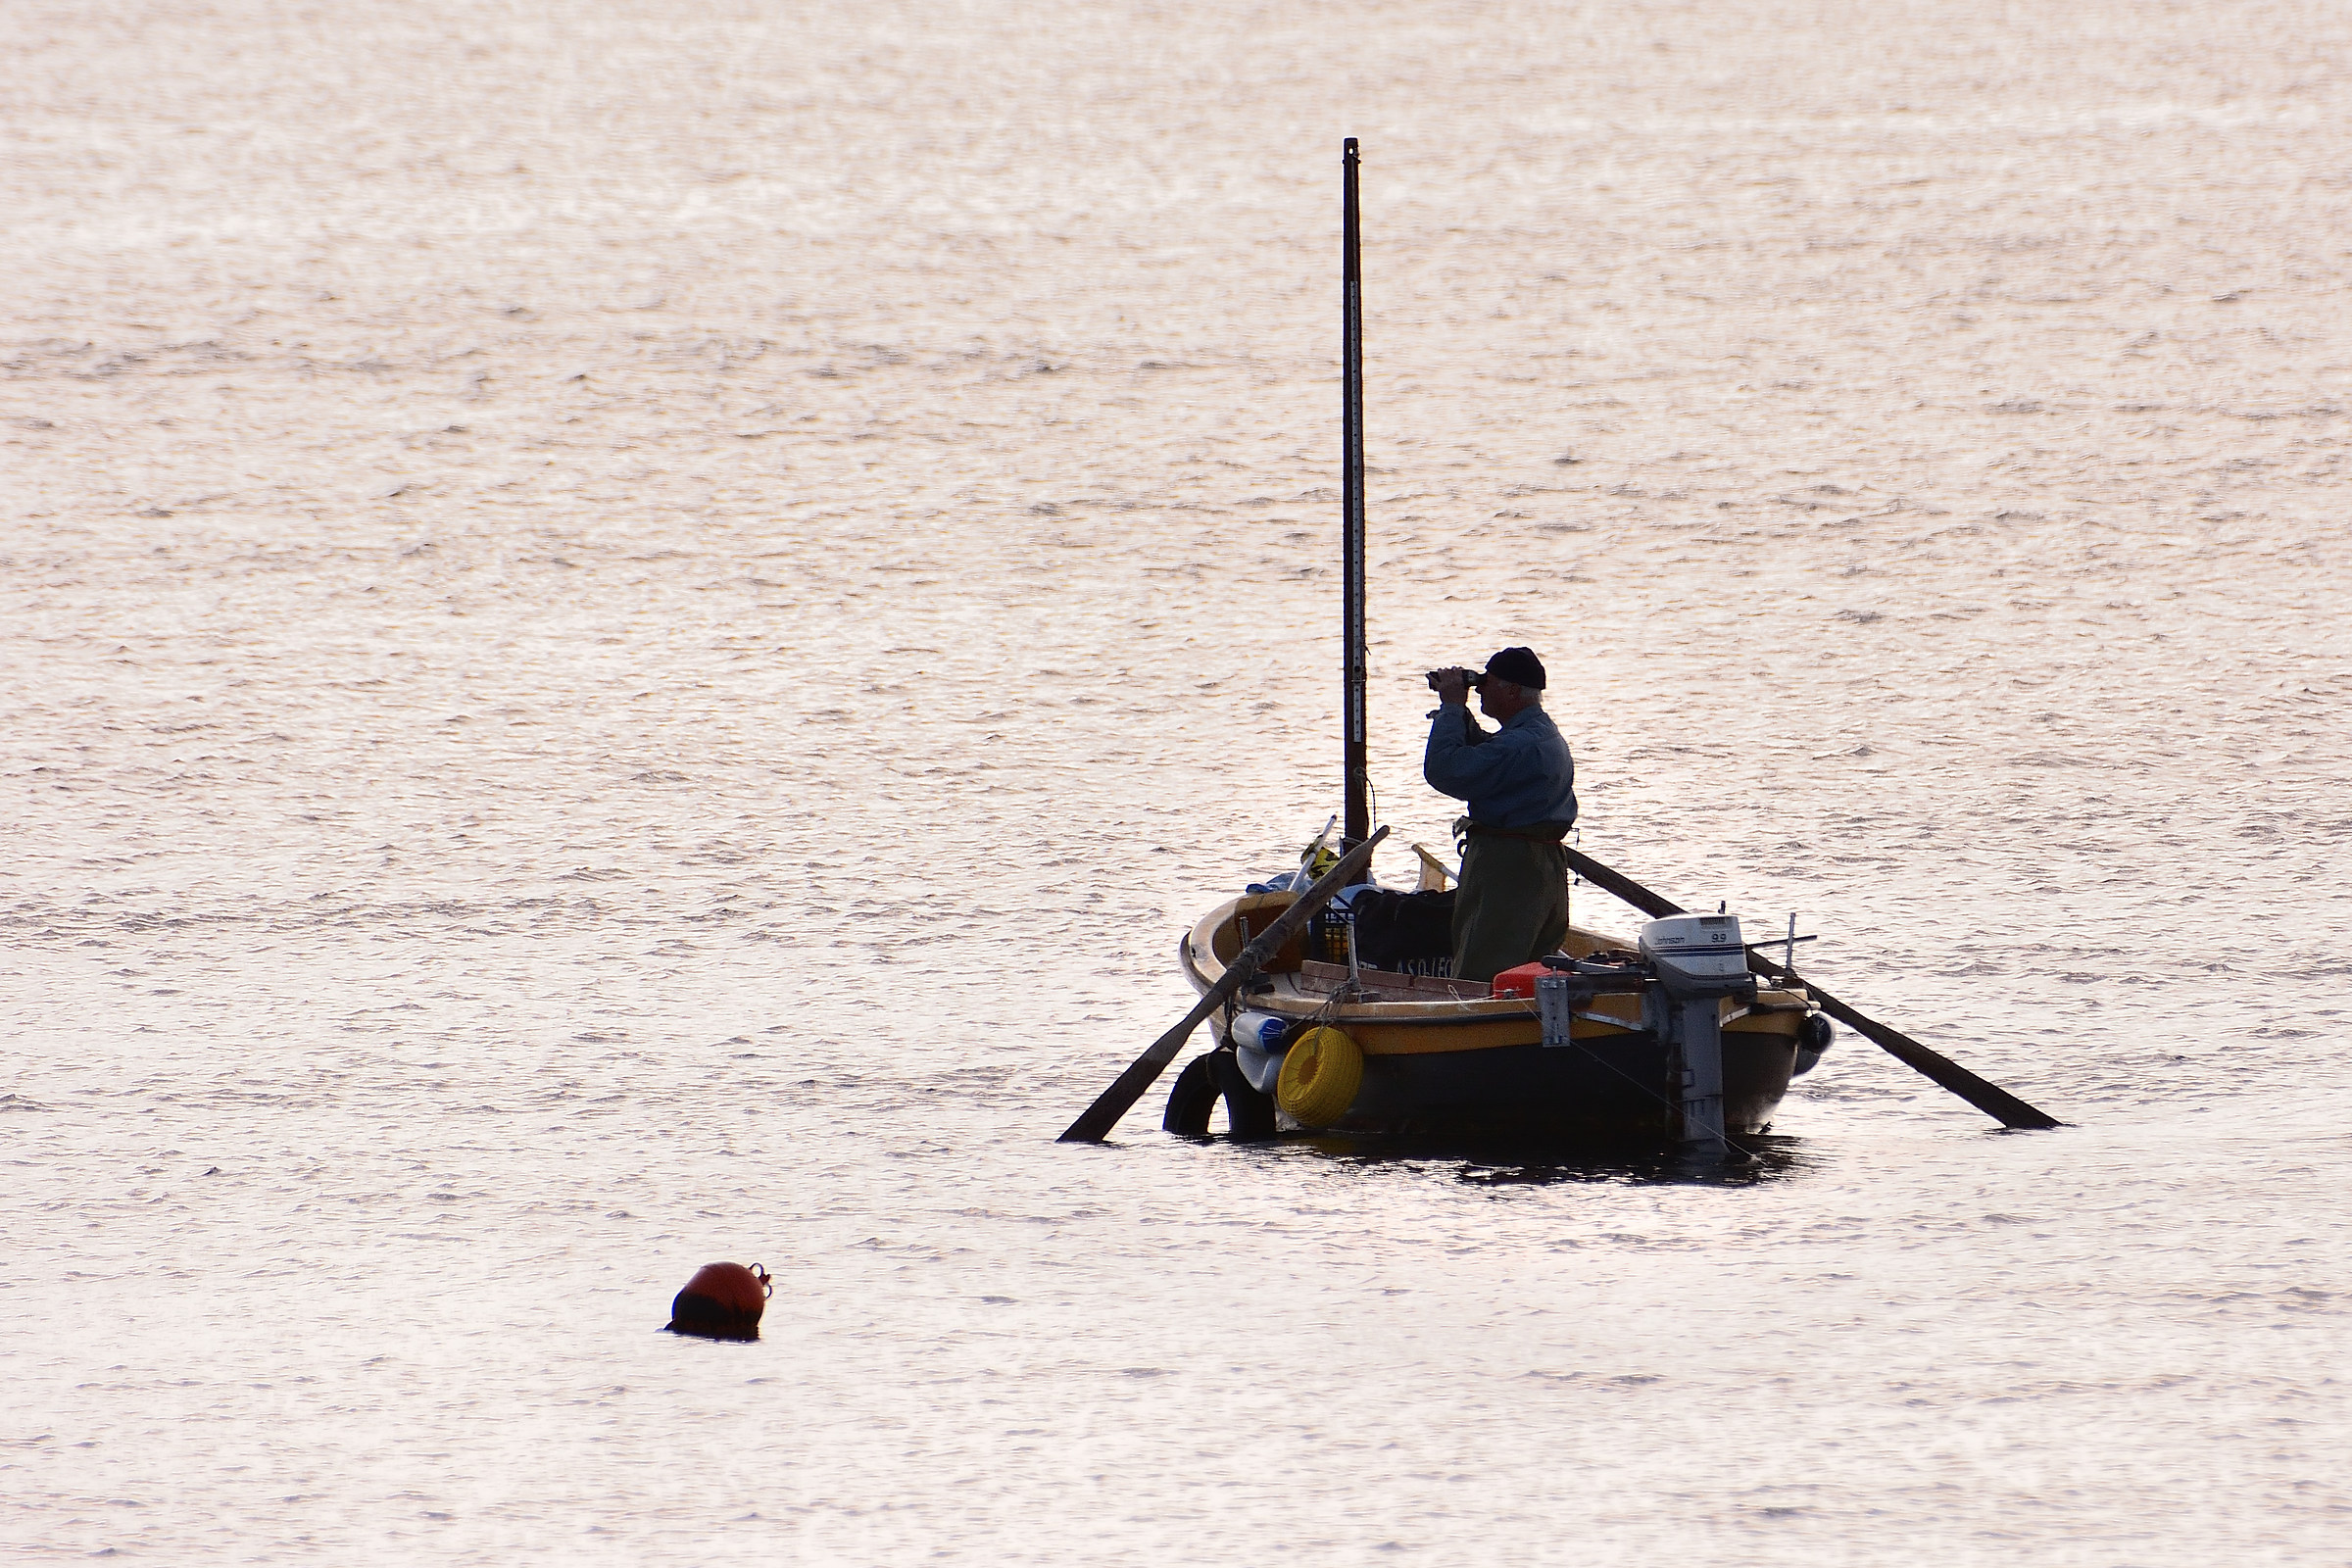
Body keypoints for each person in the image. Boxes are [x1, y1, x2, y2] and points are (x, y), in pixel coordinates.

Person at [1423, 646, 1578, 983]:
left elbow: (1444, 769)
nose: (1478, 688)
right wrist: (1459, 715)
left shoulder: (1519, 745)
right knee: (1531, 975)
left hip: (1509, 869)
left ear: (1511, 691)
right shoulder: (1538, 733)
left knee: (1485, 973)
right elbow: (1489, 753)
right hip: (1542, 866)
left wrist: (1452, 708)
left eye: (1487, 682)